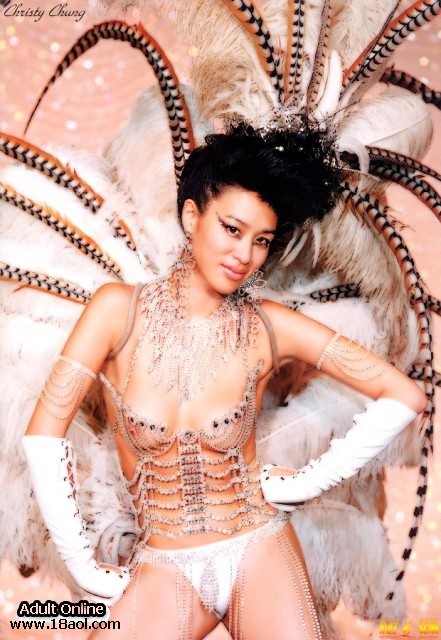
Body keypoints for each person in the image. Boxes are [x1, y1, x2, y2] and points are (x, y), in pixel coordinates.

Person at [21, 124, 427, 640]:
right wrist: (82, 565)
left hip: (258, 550)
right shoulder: (115, 311)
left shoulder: (269, 326)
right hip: (163, 564)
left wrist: (304, 483)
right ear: (192, 216)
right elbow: (43, 435)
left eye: (261, 241)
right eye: (232, 229)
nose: (244, 255)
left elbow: (405, 395)